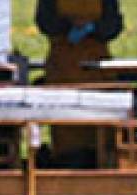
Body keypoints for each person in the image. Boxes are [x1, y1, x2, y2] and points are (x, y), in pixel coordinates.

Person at [35, 0, 124, 165]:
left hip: (97, 70)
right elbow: (45, 22)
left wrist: (91, 28)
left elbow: (113, 25)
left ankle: (100, 162)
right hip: (62, 68)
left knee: (100, 124)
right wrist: (69, 26)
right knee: (65, 124)